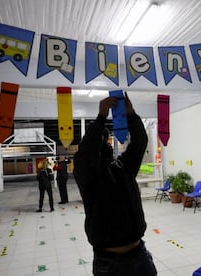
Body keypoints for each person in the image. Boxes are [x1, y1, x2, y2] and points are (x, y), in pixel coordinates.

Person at [73, 92, 157, 275]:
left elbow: (140, 142)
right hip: (110, 264)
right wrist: (101, 118)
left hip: (139, 255)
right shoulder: (88, 176)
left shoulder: (122, 167)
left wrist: (131, 114)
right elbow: (86, 154)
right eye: (104, 141)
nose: (108, 144)